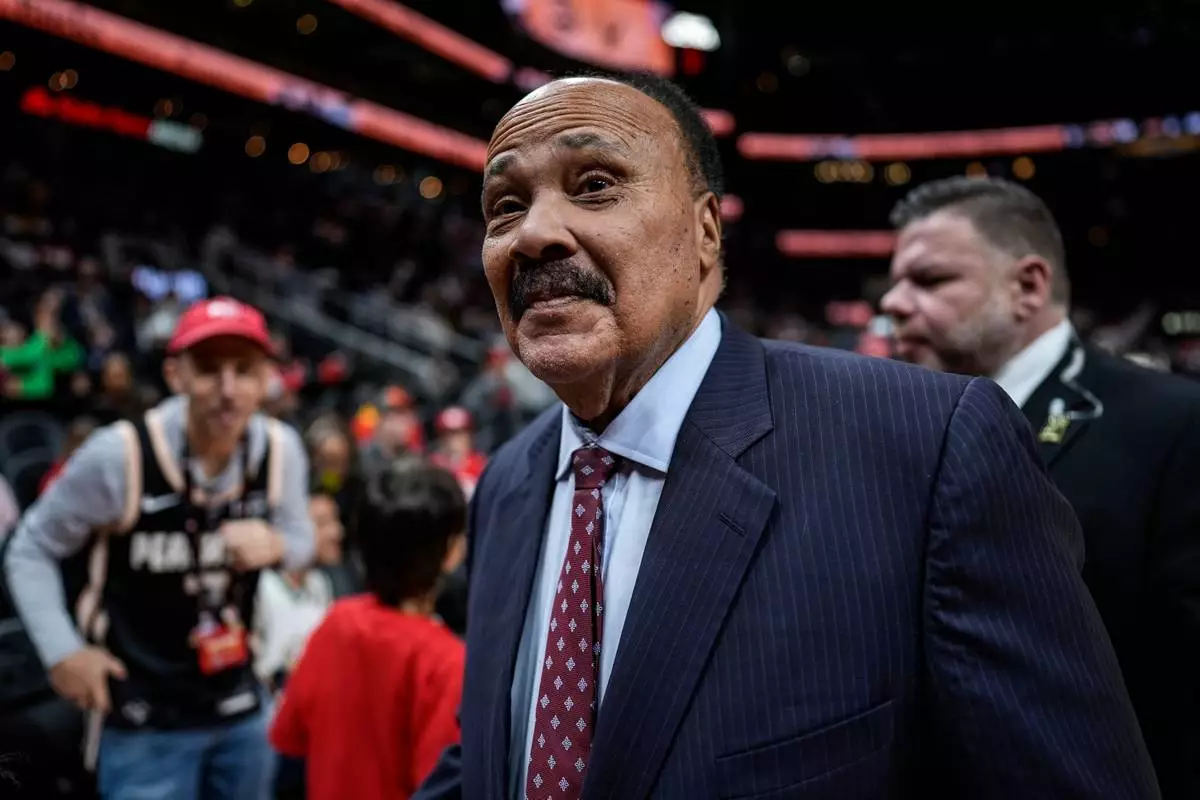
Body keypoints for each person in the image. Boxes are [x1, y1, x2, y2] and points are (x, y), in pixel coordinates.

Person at [414, 74, 1158, 800]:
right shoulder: (507, 483)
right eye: (505, 206)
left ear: (705, 232)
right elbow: (497, 756)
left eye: (596, 185)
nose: (534, 233)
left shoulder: (928, 448)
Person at [883, 175, 1200, 798]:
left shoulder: (1172, 423)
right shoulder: (891, 426)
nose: (893, 301)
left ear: (1027, 287)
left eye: (930, 279)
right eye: (896, 281)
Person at [2, 296, 314, 800]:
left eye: (244, 371)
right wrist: (62, 651)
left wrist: (277, 543)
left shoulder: (281, 450)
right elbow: (30, 546)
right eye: (209, 370)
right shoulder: (118, 456)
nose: (228, 390)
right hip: (144, 718)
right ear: (175, 375)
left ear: (266, 379)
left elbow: (303, 544)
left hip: (241, 703)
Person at [270, 458, 467, 800]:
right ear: (450, 551)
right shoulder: (446, 661)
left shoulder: (337, 621)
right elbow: (437, 785)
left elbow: (289, 736)